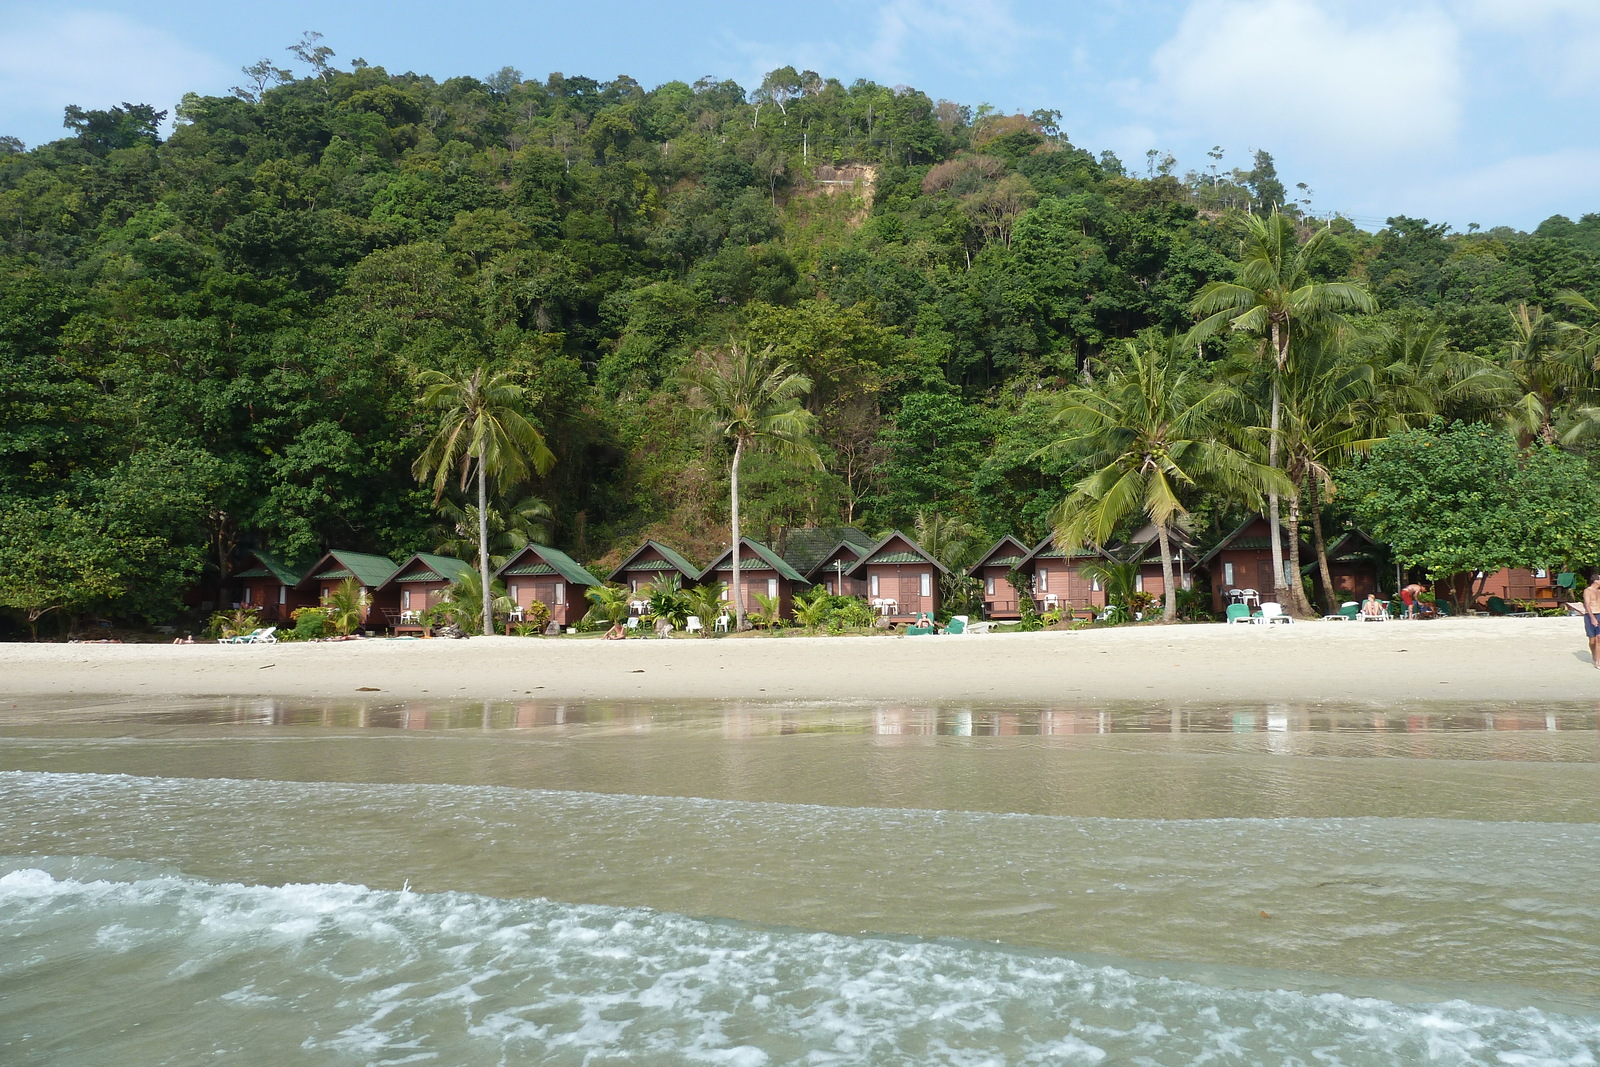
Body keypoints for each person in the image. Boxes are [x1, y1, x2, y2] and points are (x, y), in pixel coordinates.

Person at [1584, 573, 1600, 670]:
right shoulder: (1588, 591)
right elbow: (1587, 604)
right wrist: (1592, 618)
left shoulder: (1599, 591)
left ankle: (1598, 661)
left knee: (1599, 638)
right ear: (1596, 581)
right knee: (1592, 641)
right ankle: (1594, 655)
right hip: (1590, 615)